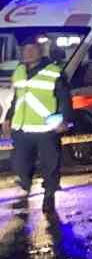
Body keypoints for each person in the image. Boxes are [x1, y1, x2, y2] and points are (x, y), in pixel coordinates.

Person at [5, 40, 72, 213]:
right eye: (25, 49)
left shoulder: (54, 72)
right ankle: (25, 190)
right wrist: (8, 117)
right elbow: (17, 98)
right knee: (20, 164)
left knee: (50, 165)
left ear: (40, 51)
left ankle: (49, 196)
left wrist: (63, 119)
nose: (28, 53)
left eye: (32, 49)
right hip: (22, 128)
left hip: (46, 129)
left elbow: (64, 98)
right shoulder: (19, 71)